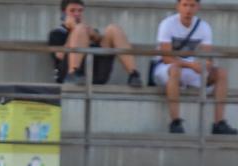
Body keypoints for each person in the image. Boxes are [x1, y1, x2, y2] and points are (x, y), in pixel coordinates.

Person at [153, 0, 236, 134]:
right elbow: (166, 57)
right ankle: (175, 122)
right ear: (178, 6)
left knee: (221, 73)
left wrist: (206, 64)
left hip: (191, 68)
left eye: (192, 5)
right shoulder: (167, 24)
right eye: (185, 5)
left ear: (198, 7)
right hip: (165, 68)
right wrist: (190, 65)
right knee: (175, 69)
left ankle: (219, 123)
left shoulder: (204, 27)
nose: (188, 9)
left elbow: (207, 56)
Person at [48, 0, 142, 87]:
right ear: (64, 13)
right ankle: (73, 73)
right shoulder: (57, 33)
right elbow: (59, 56)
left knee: (113, 29)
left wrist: (95, 35)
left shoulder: (89, 30)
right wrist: (74, 30)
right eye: (72, 11)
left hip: (96, 74)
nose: (77, 14)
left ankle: (134, 74)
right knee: (80, 28)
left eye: (80, 11)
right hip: (66, 74)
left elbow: (104, 43)